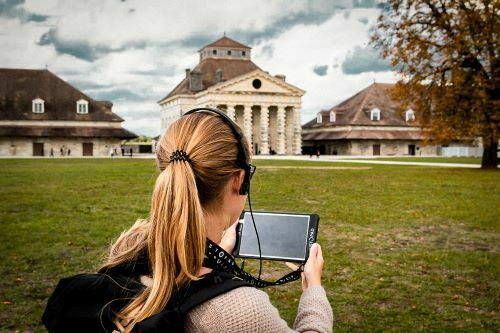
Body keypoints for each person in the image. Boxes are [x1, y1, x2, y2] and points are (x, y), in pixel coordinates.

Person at [81, 110, 333, 332]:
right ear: (239, 179)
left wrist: (218, 257)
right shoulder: (238, 312)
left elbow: (180, 283)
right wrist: (313, 287)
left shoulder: (128, 252)